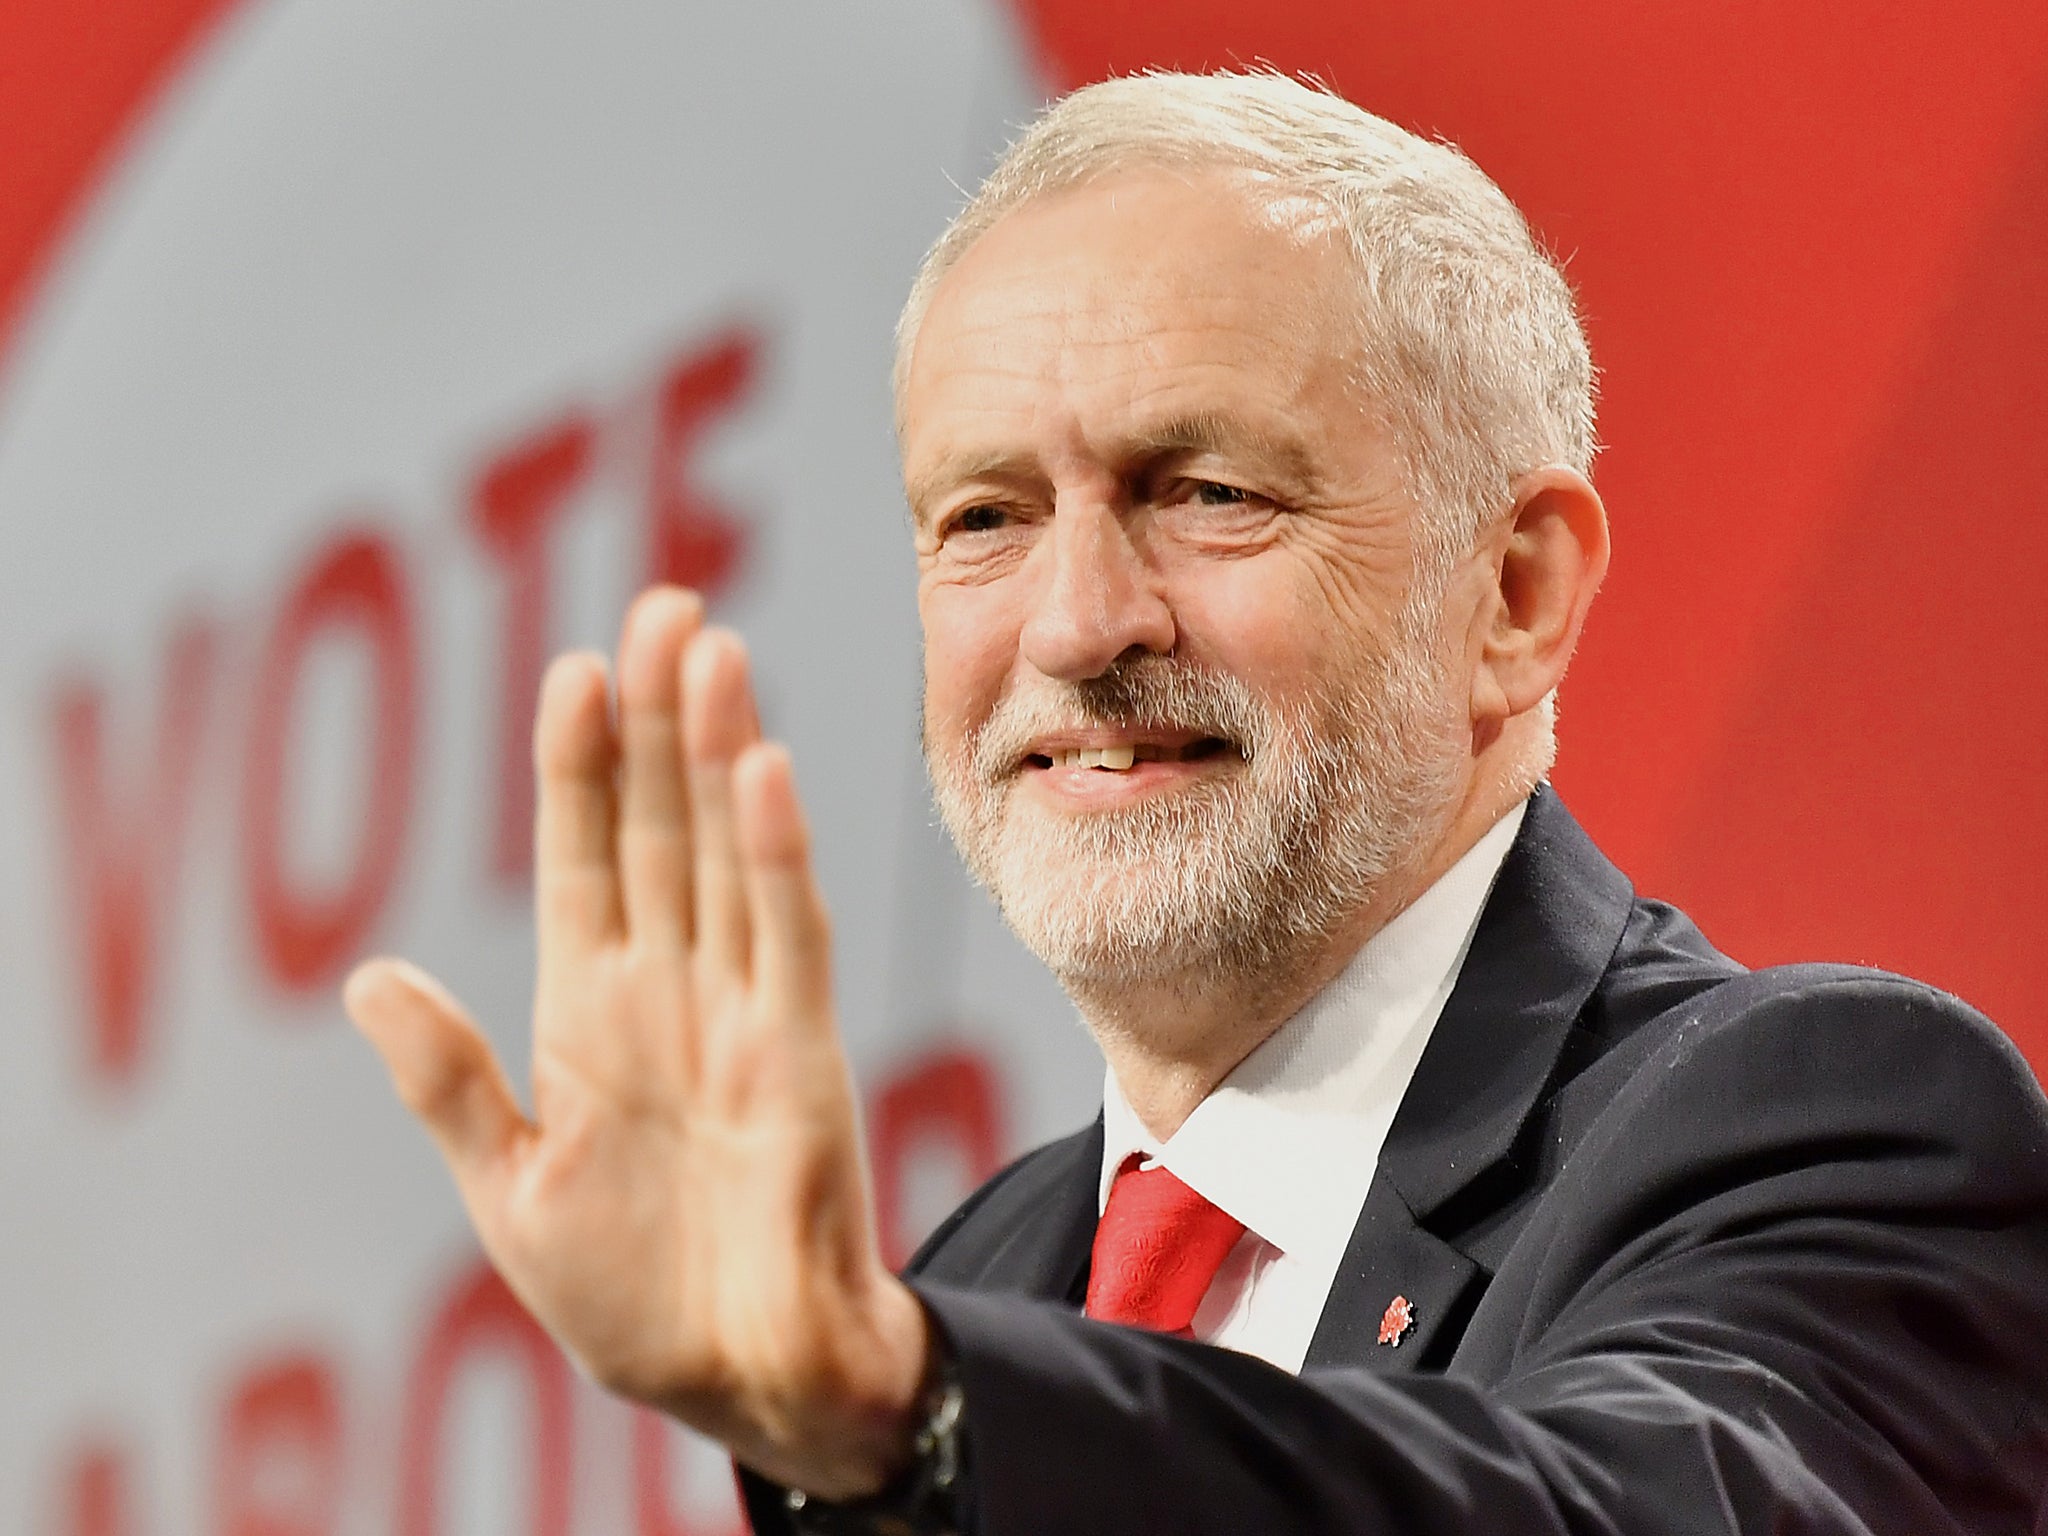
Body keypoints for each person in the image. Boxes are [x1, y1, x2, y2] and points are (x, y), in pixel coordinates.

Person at [345, 71, 2048, 1534]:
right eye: (986, 520)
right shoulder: (985, 1272)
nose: (1080, 625)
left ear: (1516, 593)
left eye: (1209, 492)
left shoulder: (1820, 1129)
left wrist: (914, 1411)